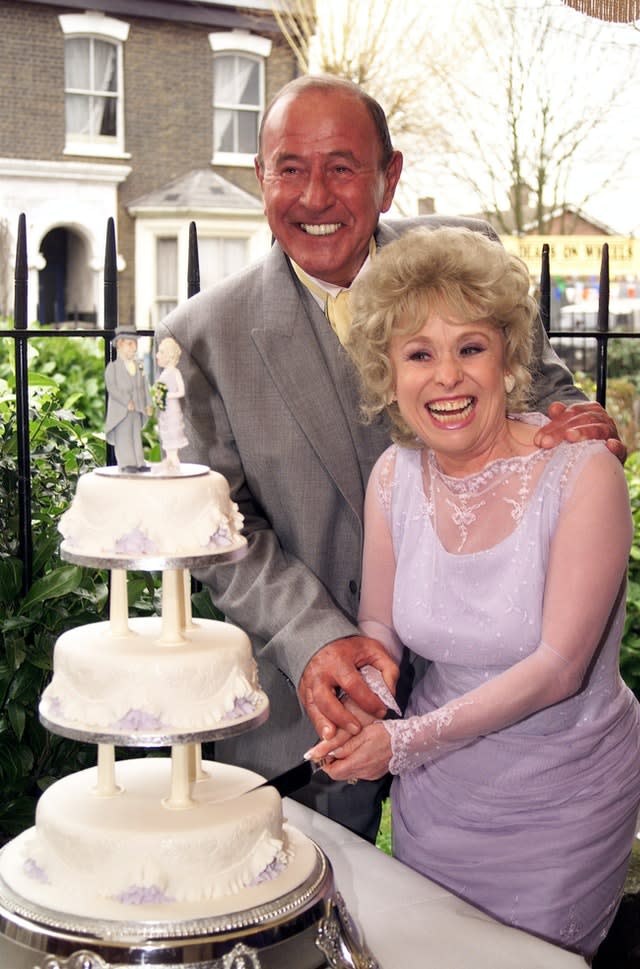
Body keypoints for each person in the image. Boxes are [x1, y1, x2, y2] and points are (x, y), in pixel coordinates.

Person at [156, 74, 623, 842]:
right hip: (313, 708)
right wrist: (314, 640)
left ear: (389, 176)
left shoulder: (467, 255)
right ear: (260, 178)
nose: (315, 196)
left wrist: (574, 411)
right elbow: (222, 527)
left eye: (341, 167)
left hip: (495, 708)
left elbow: (536, 378)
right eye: (290, 169)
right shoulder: (204, 335)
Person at [305, 225, 640, 958]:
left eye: (470, 347)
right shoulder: (393, 474)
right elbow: (380, 624)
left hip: (566, 805)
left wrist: (400, 742)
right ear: (388, 373)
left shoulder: (583, 474)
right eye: (419, 354)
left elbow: (559, 667)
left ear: (509, 357)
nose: (447, 377)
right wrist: (357, 691)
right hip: (440, 802)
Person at [105, 326, 152, 472]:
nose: (134, 348)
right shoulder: (113, 368)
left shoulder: (138, 366)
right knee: (124, 437)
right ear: (120, 345)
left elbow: (145, 386)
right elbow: (112, 388)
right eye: (130, 344)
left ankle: (139, 462)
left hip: (137, 409)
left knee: (135, 437)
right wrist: (126, 401)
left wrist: (148, 404)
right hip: (122, 412)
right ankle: (127, 464)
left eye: (135, 344)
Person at [154, 336, 188, 471]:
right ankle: (169, 465)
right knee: (168, 444)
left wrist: (167, 395)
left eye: (161, 352)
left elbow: (181, 392)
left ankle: (176, 468)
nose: (157, 355)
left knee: (173, 445)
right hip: (166, 411)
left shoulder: (175, 372)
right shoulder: (165, 373)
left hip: (172, 410)